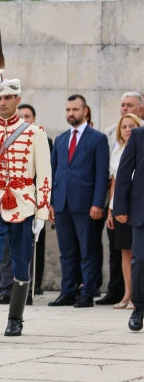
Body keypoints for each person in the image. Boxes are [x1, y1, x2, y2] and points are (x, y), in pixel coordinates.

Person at [0, 76, 52, 337]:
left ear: (18, 99)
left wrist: (41, 212)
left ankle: (15, 318)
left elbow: (44, 175)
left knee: (20, 261)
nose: (3, 102)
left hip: (23, 202)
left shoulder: (35, 132)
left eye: (8, 97)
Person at [49, 95, 109, 308]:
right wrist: (52, 202)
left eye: (75, 109)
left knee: (88, 249)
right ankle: (68, 292)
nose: (71, 113)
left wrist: (98, 203)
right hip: (62, 203)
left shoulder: (98, 139)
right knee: (67, 251)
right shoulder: (61, 139)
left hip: (86, 205)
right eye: (68, 109)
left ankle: (88, 292)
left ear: (85, 111)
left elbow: (102, 175)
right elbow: (54, 172)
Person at [0, 103, 53, 304]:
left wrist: (44, 203)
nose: (23, 119)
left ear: (34, 119)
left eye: (27, 116)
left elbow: (46, 174)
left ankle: (28, 288)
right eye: (20, 116)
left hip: (32, 199)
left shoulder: (43, 139)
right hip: (8, 200)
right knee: (6, 247)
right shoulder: (3, 139)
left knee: (29, 246)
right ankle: (5, 288)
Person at [107, 113, 141, 309]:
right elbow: (116, 181)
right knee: (127, 252)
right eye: (124, 126)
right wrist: (113, 209)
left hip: (136, 206)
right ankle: (129, 294)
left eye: (131, 125)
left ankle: (138, 296)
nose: (127, 129)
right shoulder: (117, 150)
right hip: (123, 207)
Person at [113, 118, 144, 332]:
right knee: (140, 260)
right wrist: (120, 207)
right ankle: (139, 307)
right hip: (141, 209)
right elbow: (124, 173)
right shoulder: (138, 136)